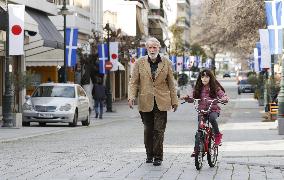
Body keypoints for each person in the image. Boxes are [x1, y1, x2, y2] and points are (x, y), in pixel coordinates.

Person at [128, 37, 178, 166]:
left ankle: (158, 157)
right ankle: (149, 154)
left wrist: (174, 100)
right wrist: (131, 96)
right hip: (146, 101)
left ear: (159, 48)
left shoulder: (166, 62)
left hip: (162, 101)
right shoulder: (140, 62)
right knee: (148, 130)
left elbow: (171, 83)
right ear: (146, 49)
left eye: (154, 47)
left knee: (159, 130)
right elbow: (133, 82)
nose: (152, 50)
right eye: (150, 47)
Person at [182, 69, 229, 156]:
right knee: (199, 129)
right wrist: (187, 98)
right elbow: (193, 97)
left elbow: (222, 95)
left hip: (213, 110)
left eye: (207, 76)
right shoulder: (198, 88)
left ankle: (217, 135)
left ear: (210, 78)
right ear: (200, 78)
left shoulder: (215, 87)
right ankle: (197, 148)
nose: (204, 79)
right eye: (202, 76)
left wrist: (224, 99)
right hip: (202, 111)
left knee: (211, 118)